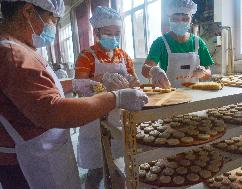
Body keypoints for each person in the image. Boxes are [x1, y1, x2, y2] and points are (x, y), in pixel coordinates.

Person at [0, 1, 148, 189]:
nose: (52, 26)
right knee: (96, 168)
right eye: (52, 19)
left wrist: (74, 83)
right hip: (28, 159)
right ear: (28, 11)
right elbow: (52, 112)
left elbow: (41, 87)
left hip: (48, 147)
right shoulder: (12, 53)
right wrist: (115, 97)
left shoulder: (22, 48)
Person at [74, 6, 140, 188]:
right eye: (108, 33)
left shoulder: (123, 55)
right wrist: (101, 80)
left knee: (118, 165)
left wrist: (137, 84)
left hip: (118, 117)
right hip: (94, 117)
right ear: (96, 32)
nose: (113, 37)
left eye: (116, 33)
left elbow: (134, 81)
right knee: (96, 170)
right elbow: (79, 86)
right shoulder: (86, 56)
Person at [142, 0, 214, 88]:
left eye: (185, 19)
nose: (180, 23)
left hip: (195, 94)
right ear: (169, 19)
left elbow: (209, 72)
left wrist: (203, 72)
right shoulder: (160, 43)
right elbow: (144, 70)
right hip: (169, 95)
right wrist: (154, 70)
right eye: (175, 19)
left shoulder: (198, 42)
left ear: (191, 19)